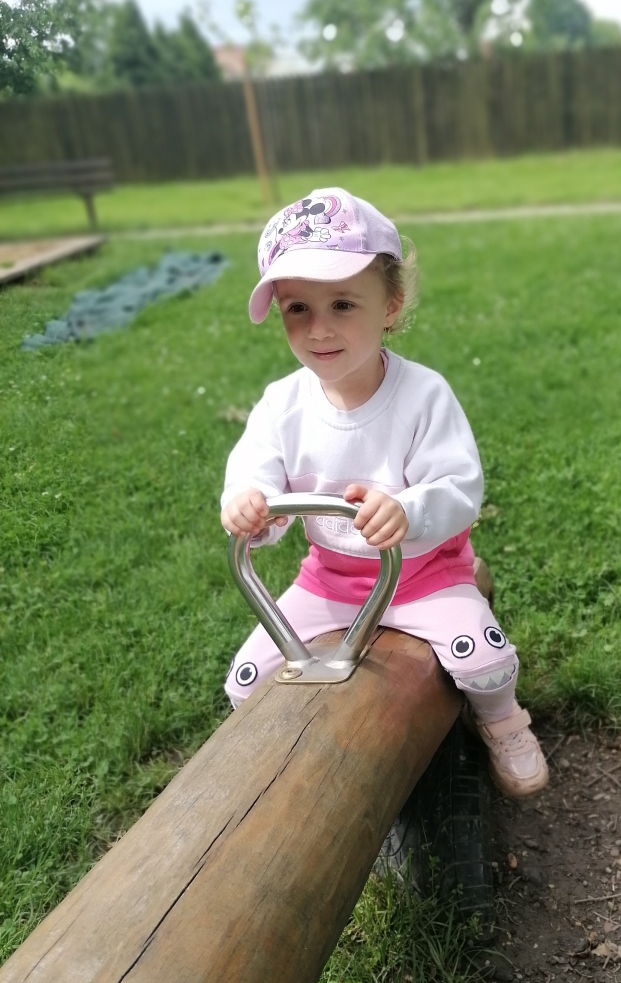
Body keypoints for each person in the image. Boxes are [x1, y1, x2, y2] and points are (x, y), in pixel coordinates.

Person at [220, 187, 548, 798]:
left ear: (391, 305)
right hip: (331, 580)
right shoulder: (282, 405)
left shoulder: (423, 396)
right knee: (246, 679)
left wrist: (408, 510)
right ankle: (284, 766)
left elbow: (459, 486)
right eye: (297, 308)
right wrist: (251, 506)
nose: (319, 329)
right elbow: (254, 472)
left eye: (343, 304)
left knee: (483, 658)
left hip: (421, 575)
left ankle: (503, 721)